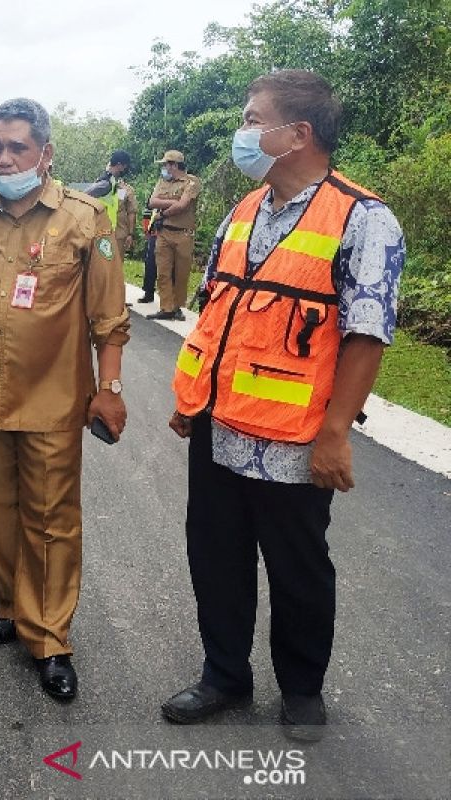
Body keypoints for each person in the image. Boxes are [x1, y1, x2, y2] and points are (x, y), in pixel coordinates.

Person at [162, 70, 405, 742]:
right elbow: (217, 310)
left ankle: (302, 688)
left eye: (251, 118)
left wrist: (335, 434)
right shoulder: (245, 209)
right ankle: (224, 676)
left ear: (297, 134)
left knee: (297, 566)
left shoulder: (363, 218)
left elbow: (366, 333)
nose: (242, 132)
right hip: (219, 424)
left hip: (294, 438)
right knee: (216, 554)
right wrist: (193, 397)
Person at [0, 98, 130, 701]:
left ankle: (51, 638)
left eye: (16, 147)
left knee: (51, 520)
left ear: (46, 154)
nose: (4, 157)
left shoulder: (85, 220)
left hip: (54, 397)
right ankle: (14, 611)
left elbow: (109, 318)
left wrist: (109, 389)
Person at [146, 149, 202, 320]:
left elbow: (183, 205)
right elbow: (152, 202)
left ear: (174, 165)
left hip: (183, 234)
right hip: (164, 233)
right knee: (163, 271)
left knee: (181, 273)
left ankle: (177, 307)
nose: (164, 168)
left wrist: (162, 213)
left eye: (166, 164)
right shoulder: (162, 182)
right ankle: (166, 308)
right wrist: (172, 202)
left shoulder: (192, 182)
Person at [84, 149, 137, 256]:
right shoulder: (104, 183)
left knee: (114, 267)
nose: (126, 169)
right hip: (100, 232)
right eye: (125, 166)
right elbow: (84, 198)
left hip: (117, 233)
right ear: (119, 165)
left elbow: (131, 212)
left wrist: (130, 234)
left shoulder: (120, 187)